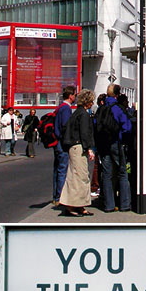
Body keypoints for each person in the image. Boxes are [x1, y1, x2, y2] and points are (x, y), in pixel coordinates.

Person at [96, 83, 132, 213]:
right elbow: (127, 127)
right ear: (117, 94)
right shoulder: (117, 108)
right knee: (122, 172)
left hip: (103, 144)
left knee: (107, 174)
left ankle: (109, 205)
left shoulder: (101, 108)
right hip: (116, 143)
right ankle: (124, 204)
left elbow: (96, 125)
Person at [59, 89, 95, 217]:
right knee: (80, 176)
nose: (92, 103)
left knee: (77, 176)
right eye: (91, 101)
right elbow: (85, 133)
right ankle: (72, 206)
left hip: (74, 147)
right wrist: (89, 148)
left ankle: (79, 205)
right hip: (79, 147)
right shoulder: (84, 115)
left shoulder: (76, 113)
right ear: (88, 102)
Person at [52, 85, 77, 207]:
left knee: (57, 170)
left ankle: (55, 196)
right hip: (62, 143)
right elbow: (65, 126)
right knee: (62, 169)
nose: (75, 97)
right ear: (70, 95)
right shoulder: (66, 109)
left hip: (56, 142)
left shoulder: (59, 107)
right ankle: (60, 196)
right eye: (75, 94)